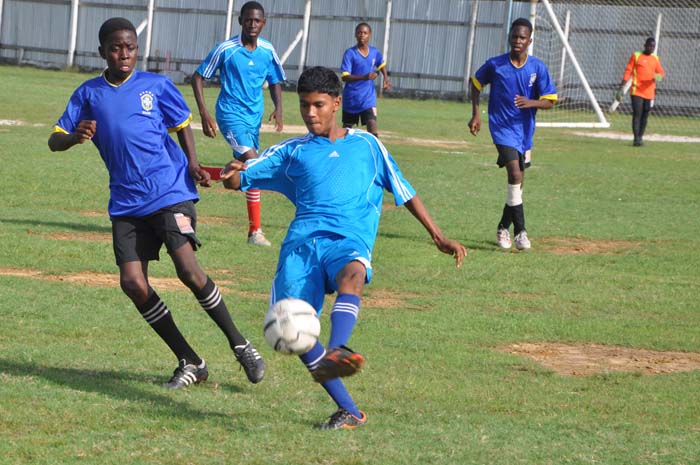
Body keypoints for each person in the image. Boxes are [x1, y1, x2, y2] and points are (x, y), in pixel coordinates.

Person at [220, 66, 466, 429]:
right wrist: (231, 172)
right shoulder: (292, 151)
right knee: (295, 331)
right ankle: (350, 410)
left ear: (337, 103)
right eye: (304, 106)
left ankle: (339, 349)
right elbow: (241, 177)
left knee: (355, 272)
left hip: (347, 240)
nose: (310, 113)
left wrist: (437, 235)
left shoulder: (367, 145)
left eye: (318, 105)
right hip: (301, 248)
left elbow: (404, 189)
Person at [48, 17, 265, 389]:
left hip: (169, 191)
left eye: (130, 46)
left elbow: (182, 123)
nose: (124, 54)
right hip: (126, 202)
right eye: (116, 47)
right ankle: (191, 360)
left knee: (187, 269)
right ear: (102, 52)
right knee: (132, 283)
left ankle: (241, 344)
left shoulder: (155, 85)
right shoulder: (88, 94)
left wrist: (194, 163)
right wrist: (74, 138)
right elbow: (55, 138)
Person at [192, 1, 286, 246]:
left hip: (253, 118)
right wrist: (204, 113)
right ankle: (256, 232)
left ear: (263, 23)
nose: (252, 24)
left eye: (257, 20)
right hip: (229, 115)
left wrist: (279, 108)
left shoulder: (267, 49)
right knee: (254, 162)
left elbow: (275, 79)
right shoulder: (226, 49)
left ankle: (202, 173)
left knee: (248, 168)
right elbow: (198, 77)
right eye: (248, 20)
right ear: (240, 21)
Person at [468, 18, 557, 251]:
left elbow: (550, 101)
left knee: (518, 183)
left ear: (530, 40)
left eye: (522, 37)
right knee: (515, 173)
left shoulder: (537, 68)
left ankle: (502, 227)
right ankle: (521, 232)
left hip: (524, 132)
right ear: (510, 37)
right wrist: (476, 114)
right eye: (514, 36)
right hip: (501, 129)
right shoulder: (496, 65)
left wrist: (532, 102)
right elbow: (475, 84)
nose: (518, 41)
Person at [340, 22, 391, 137]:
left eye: (365, 33)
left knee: (372, 125)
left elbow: (381, 65)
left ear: (370, 35)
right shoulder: (350, 53)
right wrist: (364, 77)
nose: (362, 35)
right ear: (355, 35)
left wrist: (386, 79)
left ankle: (374, 152)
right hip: (351, 98)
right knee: (347, 130)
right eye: (359, 32)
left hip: (368, 99)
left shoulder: (374, 52)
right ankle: (343, 151)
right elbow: (344, 76)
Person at [617, 37, 665, 147]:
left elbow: (661, 73)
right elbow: (628, 71)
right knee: (637, 114)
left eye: (653, 46)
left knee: (645, 115)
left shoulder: (655, 58)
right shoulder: (636, 55)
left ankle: (640, 137)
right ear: (645, 45)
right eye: (649, 46)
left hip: (649, 92)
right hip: (636, 91)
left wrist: (659, 77)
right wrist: (621, 88)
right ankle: (636, 139)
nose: (651, 48)